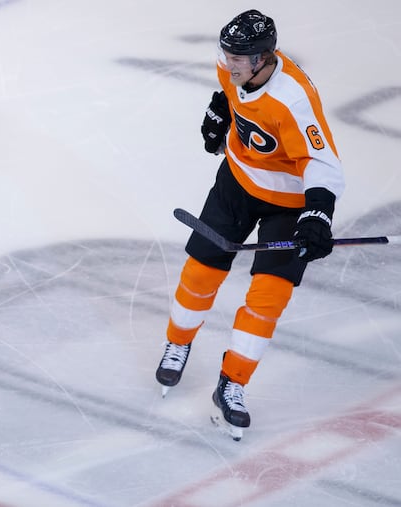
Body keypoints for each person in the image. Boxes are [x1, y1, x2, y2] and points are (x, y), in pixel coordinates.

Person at [155, 9, 344, 441]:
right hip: (238, 182)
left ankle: (233, 384)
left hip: (290, 204)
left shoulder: (294, 100)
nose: (228, 61)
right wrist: (221, 109)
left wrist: (317, 214)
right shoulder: (232, 64)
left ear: (263, 58)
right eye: (226, 52)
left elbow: (323, 163)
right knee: (200, 272)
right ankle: (178, 341)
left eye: (239, 56)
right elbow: (230, 89)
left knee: (268, 297)